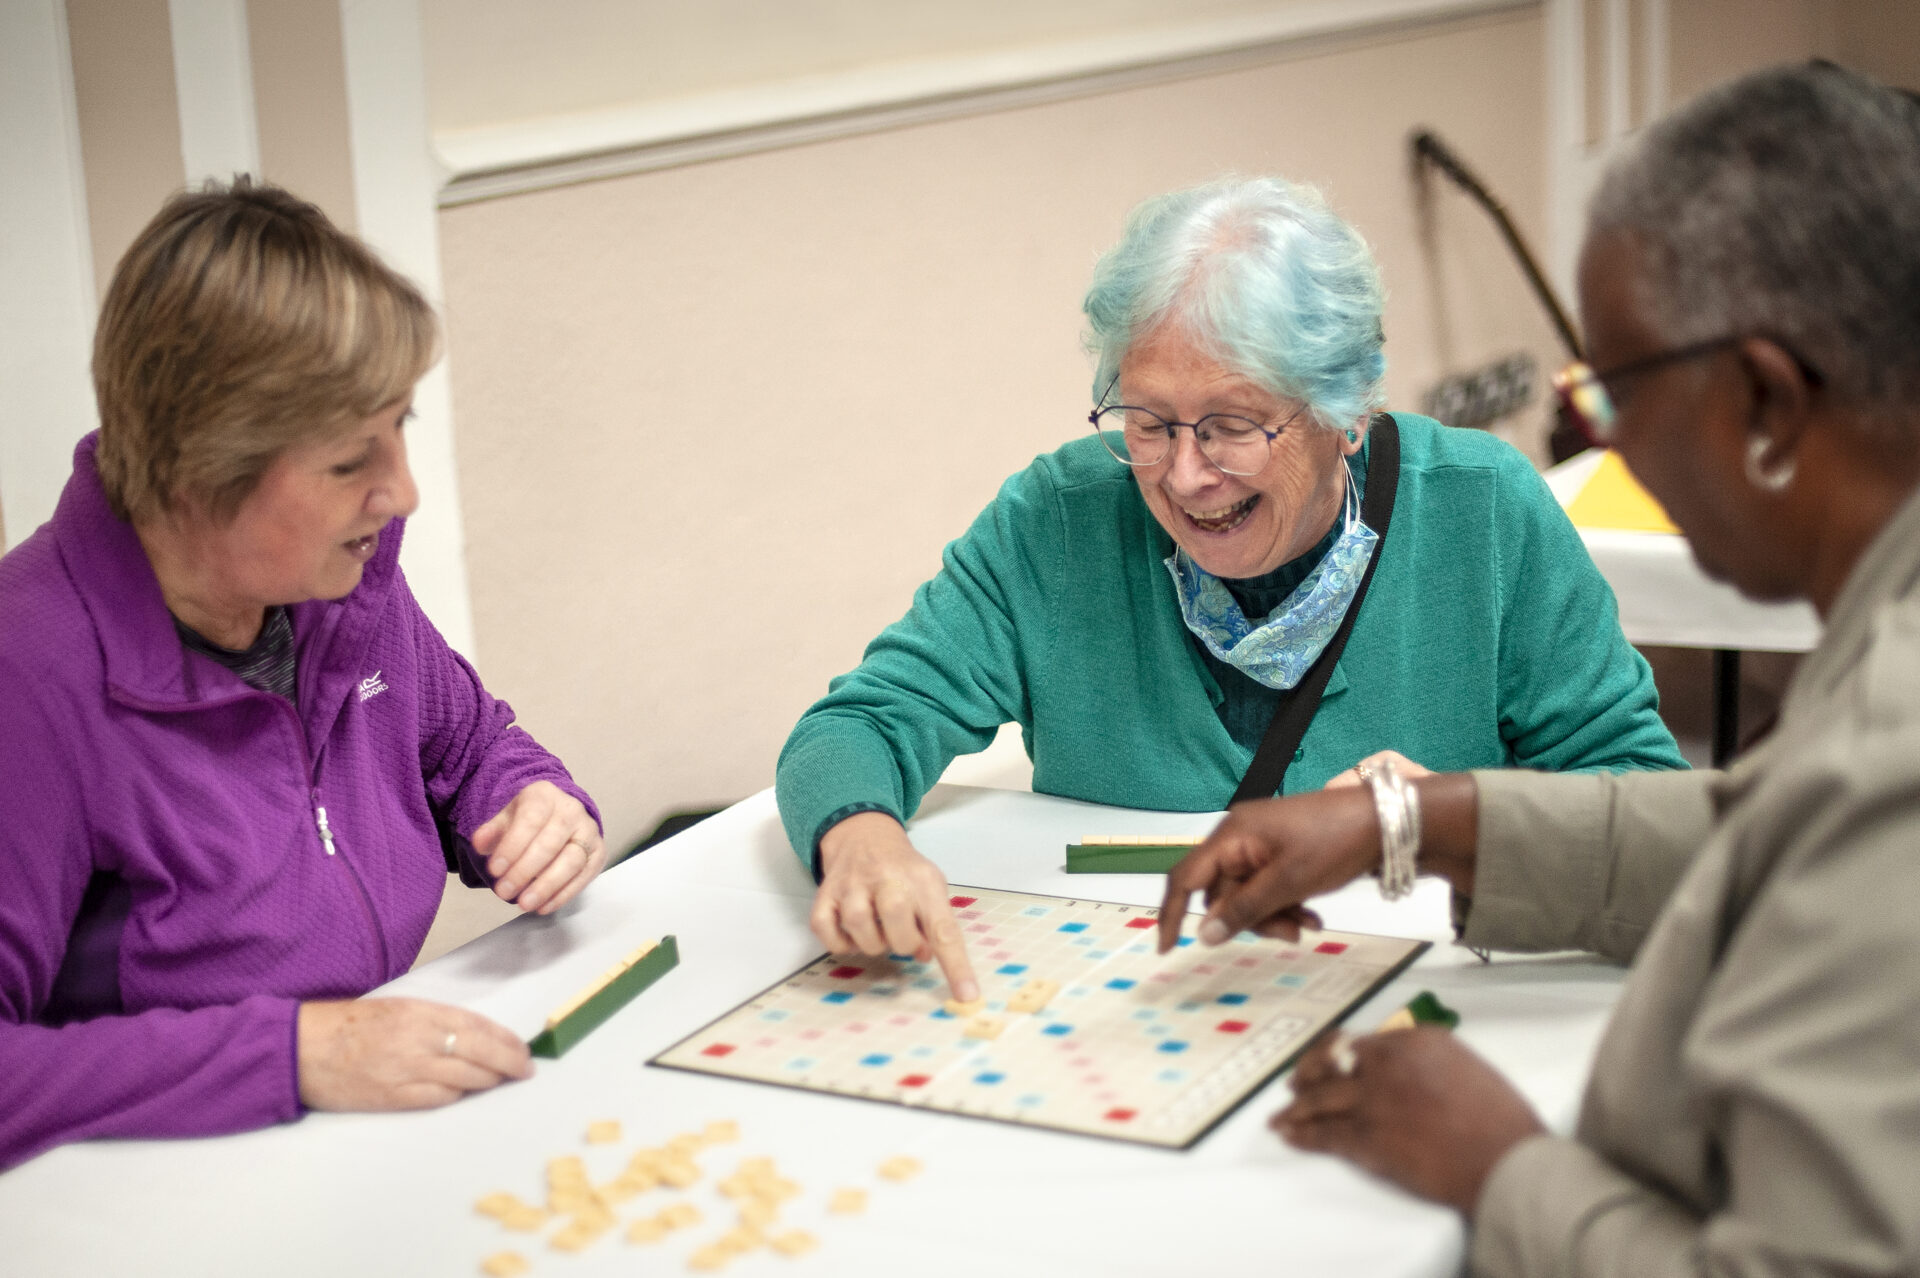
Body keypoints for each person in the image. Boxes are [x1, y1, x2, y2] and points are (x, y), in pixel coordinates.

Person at [1159, 63, 1920, 1275]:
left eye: (1614, 390)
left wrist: (1497, 1164)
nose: (1601, 438)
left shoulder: (1895, 748)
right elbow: (1761, 829)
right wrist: (1405, 823)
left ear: (1770, 402)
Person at [778, 176, 1686, 1002]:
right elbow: (861, 722)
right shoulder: (1059, 520)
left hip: (1409, 1016)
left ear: (1347, 412)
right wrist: (861, 835)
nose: (1184, 476)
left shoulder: (1483, 512)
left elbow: (1645, 808)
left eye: (1231, 426)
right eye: (1147, 423)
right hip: (1133, 1013)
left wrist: (1444, 822)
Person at [0, 180, 608, 1171]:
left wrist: (533, 803)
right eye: (347, 462)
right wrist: (290, 1053)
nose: (402, 491)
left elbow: (471, 750)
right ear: (203, 470)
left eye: (400, 428)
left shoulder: (340, 586)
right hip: (150, 1185)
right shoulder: (27, 673)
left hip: (339, 1145)